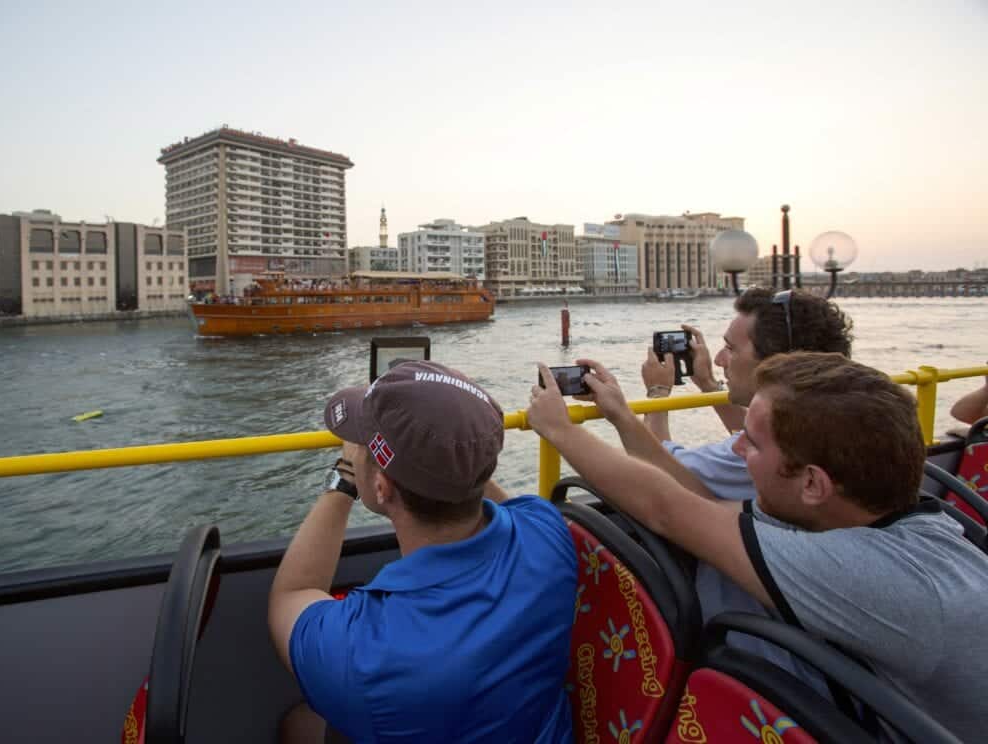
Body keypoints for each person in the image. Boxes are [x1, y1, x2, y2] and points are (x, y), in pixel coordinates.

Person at [529, 353, 988, 742]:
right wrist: (622, 415)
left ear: (812, 482)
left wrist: (562, 432)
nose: (736, 449)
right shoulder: (877, 516)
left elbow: (666, 510)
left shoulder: (875, 577)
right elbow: (697, 504)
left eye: (752, 442)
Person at [268, 360, 577, 743]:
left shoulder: (366, 653)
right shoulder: (549, 534)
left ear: (382, 487)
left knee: (298, 725)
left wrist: (344, 479)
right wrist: (450, 446)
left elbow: (292, 596)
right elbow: (485, 492)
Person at [587, 289, 854, 682]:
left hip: (754, 667)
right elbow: (757, 434)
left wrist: (648, 399)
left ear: (775, 365)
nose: (720, 357)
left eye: (731, 349)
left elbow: (657, 475)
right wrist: (709, 382)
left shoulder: (758, 456)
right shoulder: (845, 420)